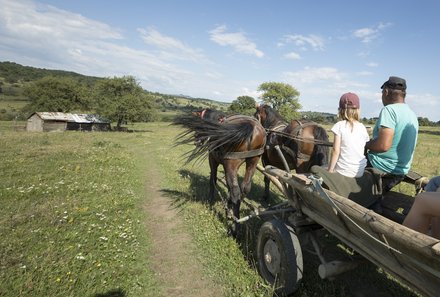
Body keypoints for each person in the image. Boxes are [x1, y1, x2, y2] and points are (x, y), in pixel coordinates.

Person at [365, 76, 419, 193]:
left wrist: (365, 144)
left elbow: (383, 146)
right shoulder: (411, 114)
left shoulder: (389, 110)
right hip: (401, 170)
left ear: (386, 91)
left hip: (382, 166)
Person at [328, 92, 370, 178]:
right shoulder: (362, 127)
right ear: (358, 110)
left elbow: (336, 151)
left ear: (341, 110)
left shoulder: (339, 125)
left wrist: (330, 170)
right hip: (359, 171)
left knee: (315, 169)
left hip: (343, 171)